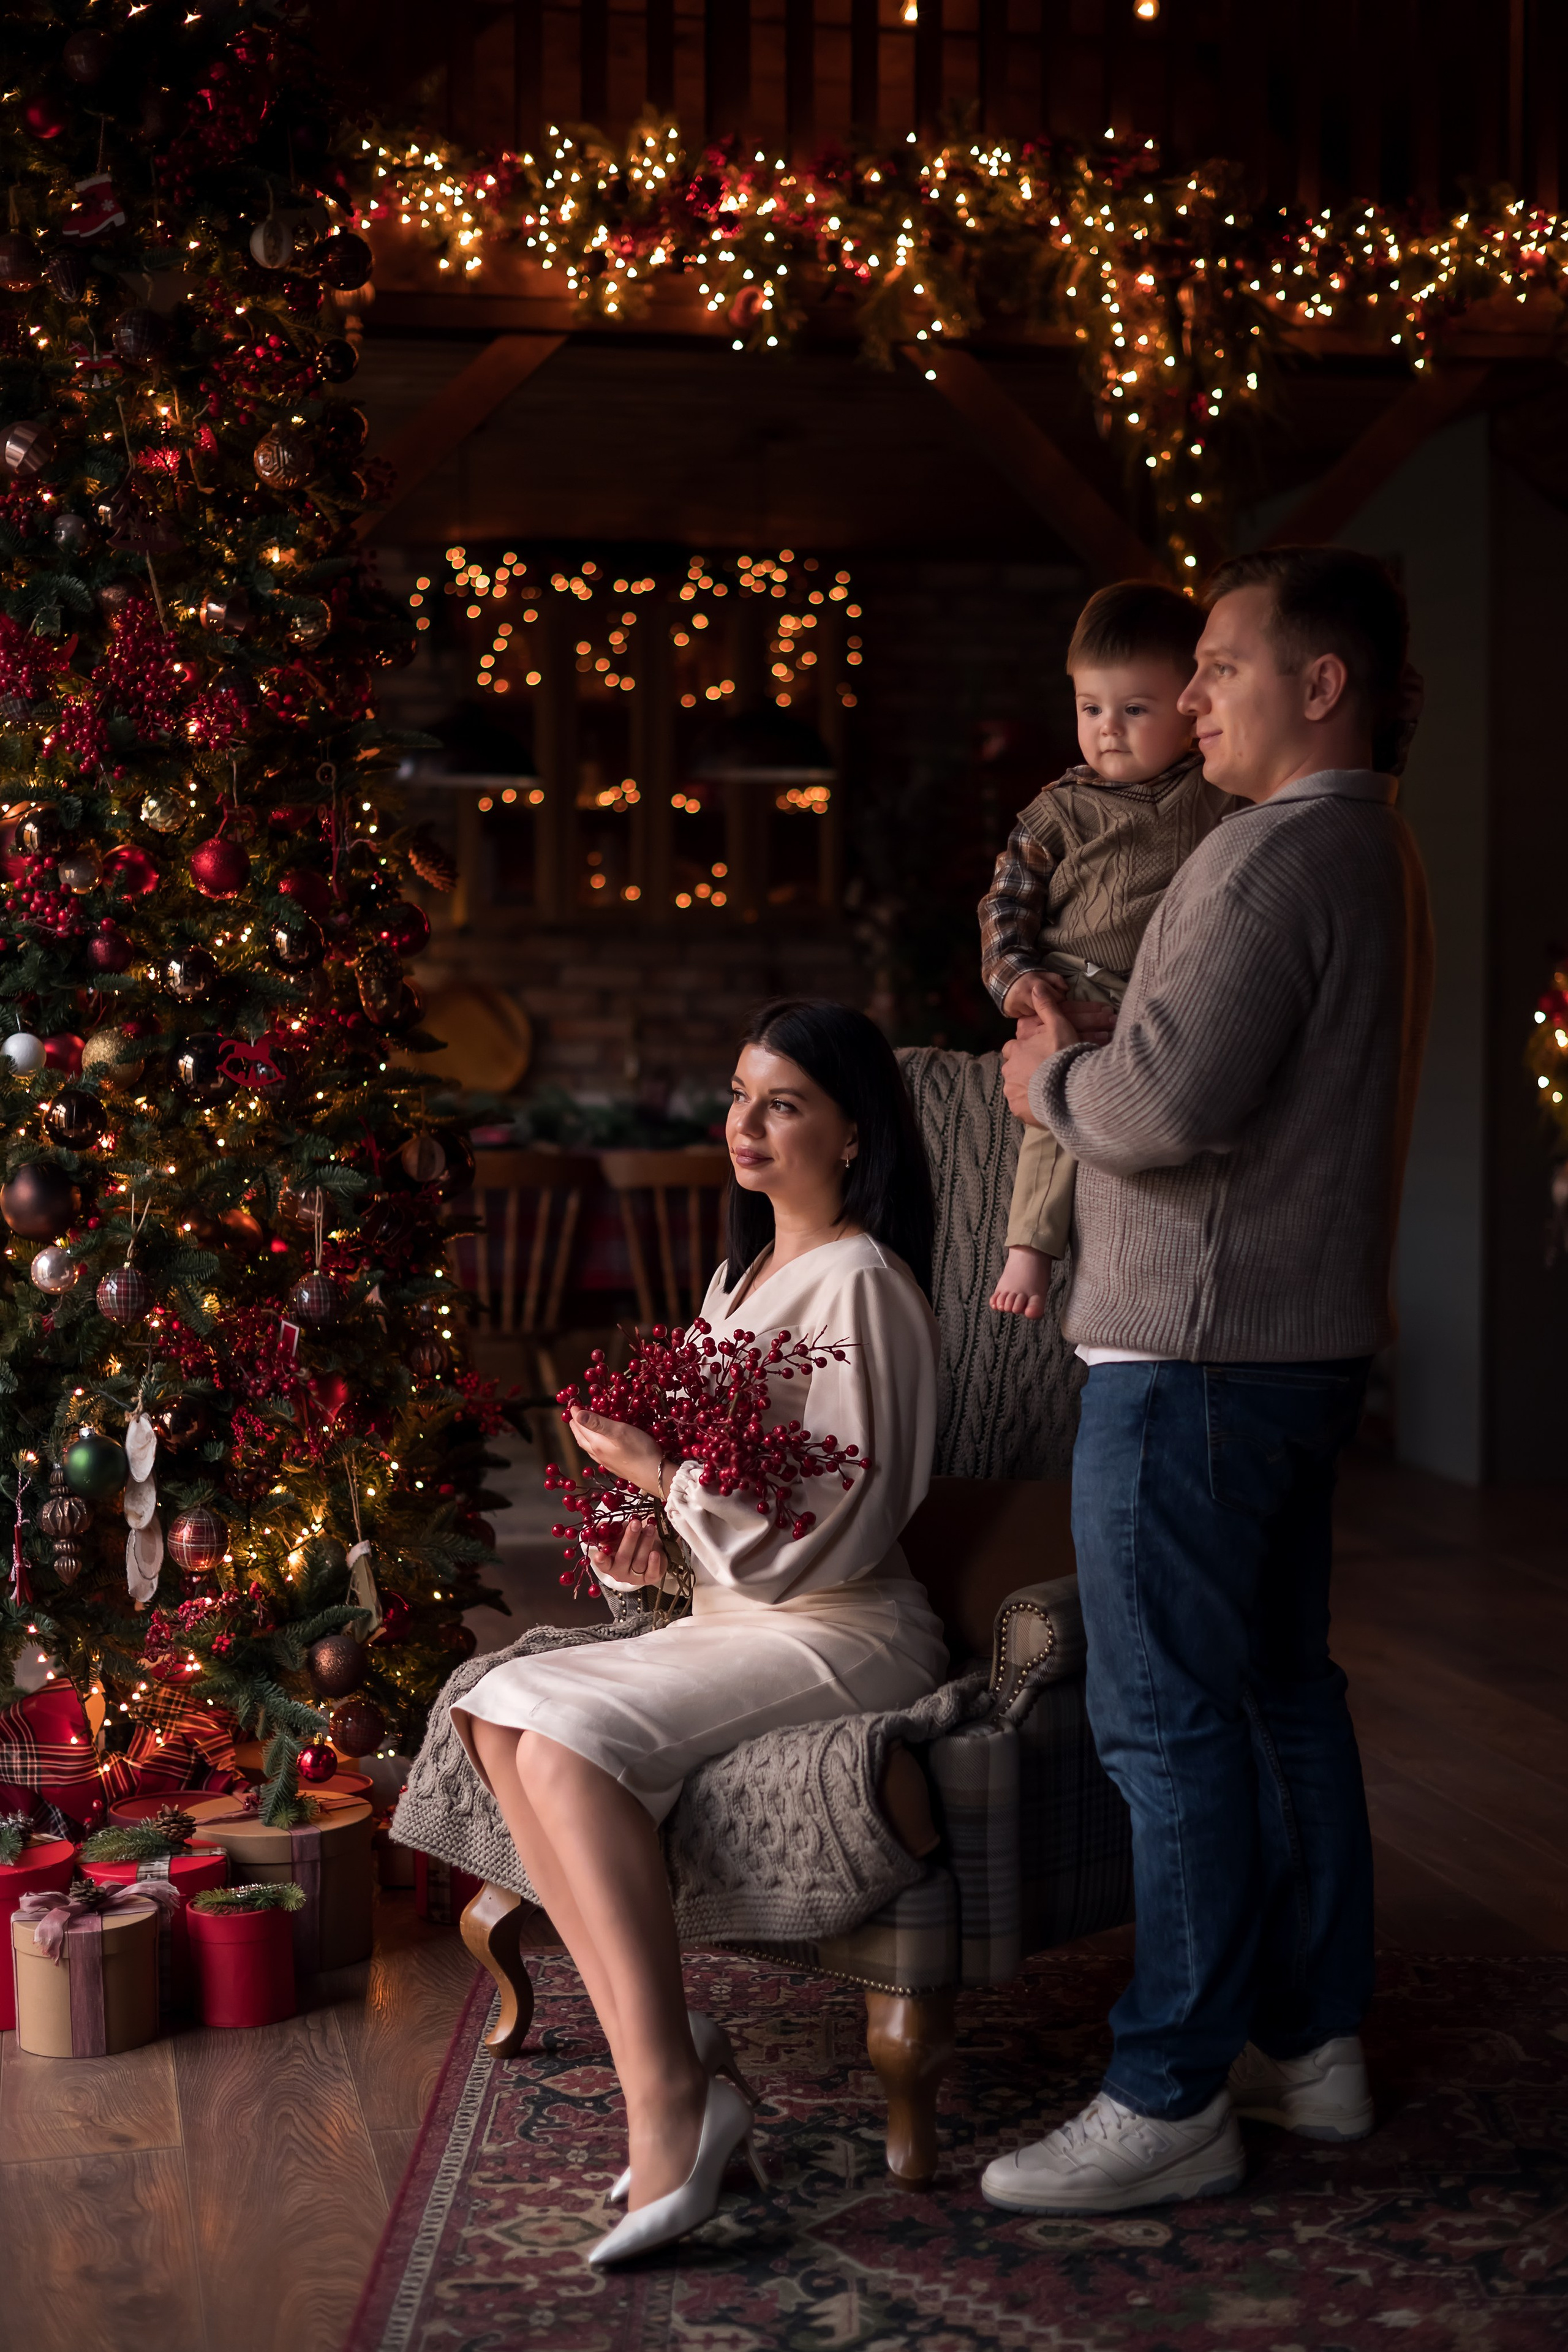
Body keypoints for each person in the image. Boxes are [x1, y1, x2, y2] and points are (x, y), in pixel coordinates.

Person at [983, 546, 1434, 2215]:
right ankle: (1309, 2047)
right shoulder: (1372, 851)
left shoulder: (1264, 861)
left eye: (1226, 668)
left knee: (1164, 1722)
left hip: (1192, 1357)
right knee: (1278, 1698)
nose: (1192, 699)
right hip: (1296, 1349)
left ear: (1323, 685)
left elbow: (1162, 1112)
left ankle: (1170, 2086)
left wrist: (1050, 1082)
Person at [451, 998, 948, 2266]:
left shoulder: (863, 1282)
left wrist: (664, 1472)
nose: (744, 1124)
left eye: (781, 1102)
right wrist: (650, 1553)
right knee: (493, 1712)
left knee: (557, 1739)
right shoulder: (739, 1282)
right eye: (738, 1097)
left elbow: (844, 1517)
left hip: (840, 1628)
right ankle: (676, 2070)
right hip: (738, 1616)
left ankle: (669, 2100)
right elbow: (732, 1520)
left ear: (851, 1133)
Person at [980, 581, 1229, 1323]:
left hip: (1160, 991)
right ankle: (1031, 1245)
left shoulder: (1215, 792)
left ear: (1189, 711)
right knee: (1050, 1120)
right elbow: (1005, 906)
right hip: (1073, 986)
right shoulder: (1057, 810)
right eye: (1091, 708)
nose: (1108, 729)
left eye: (1134, 709)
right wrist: (1021, 985)